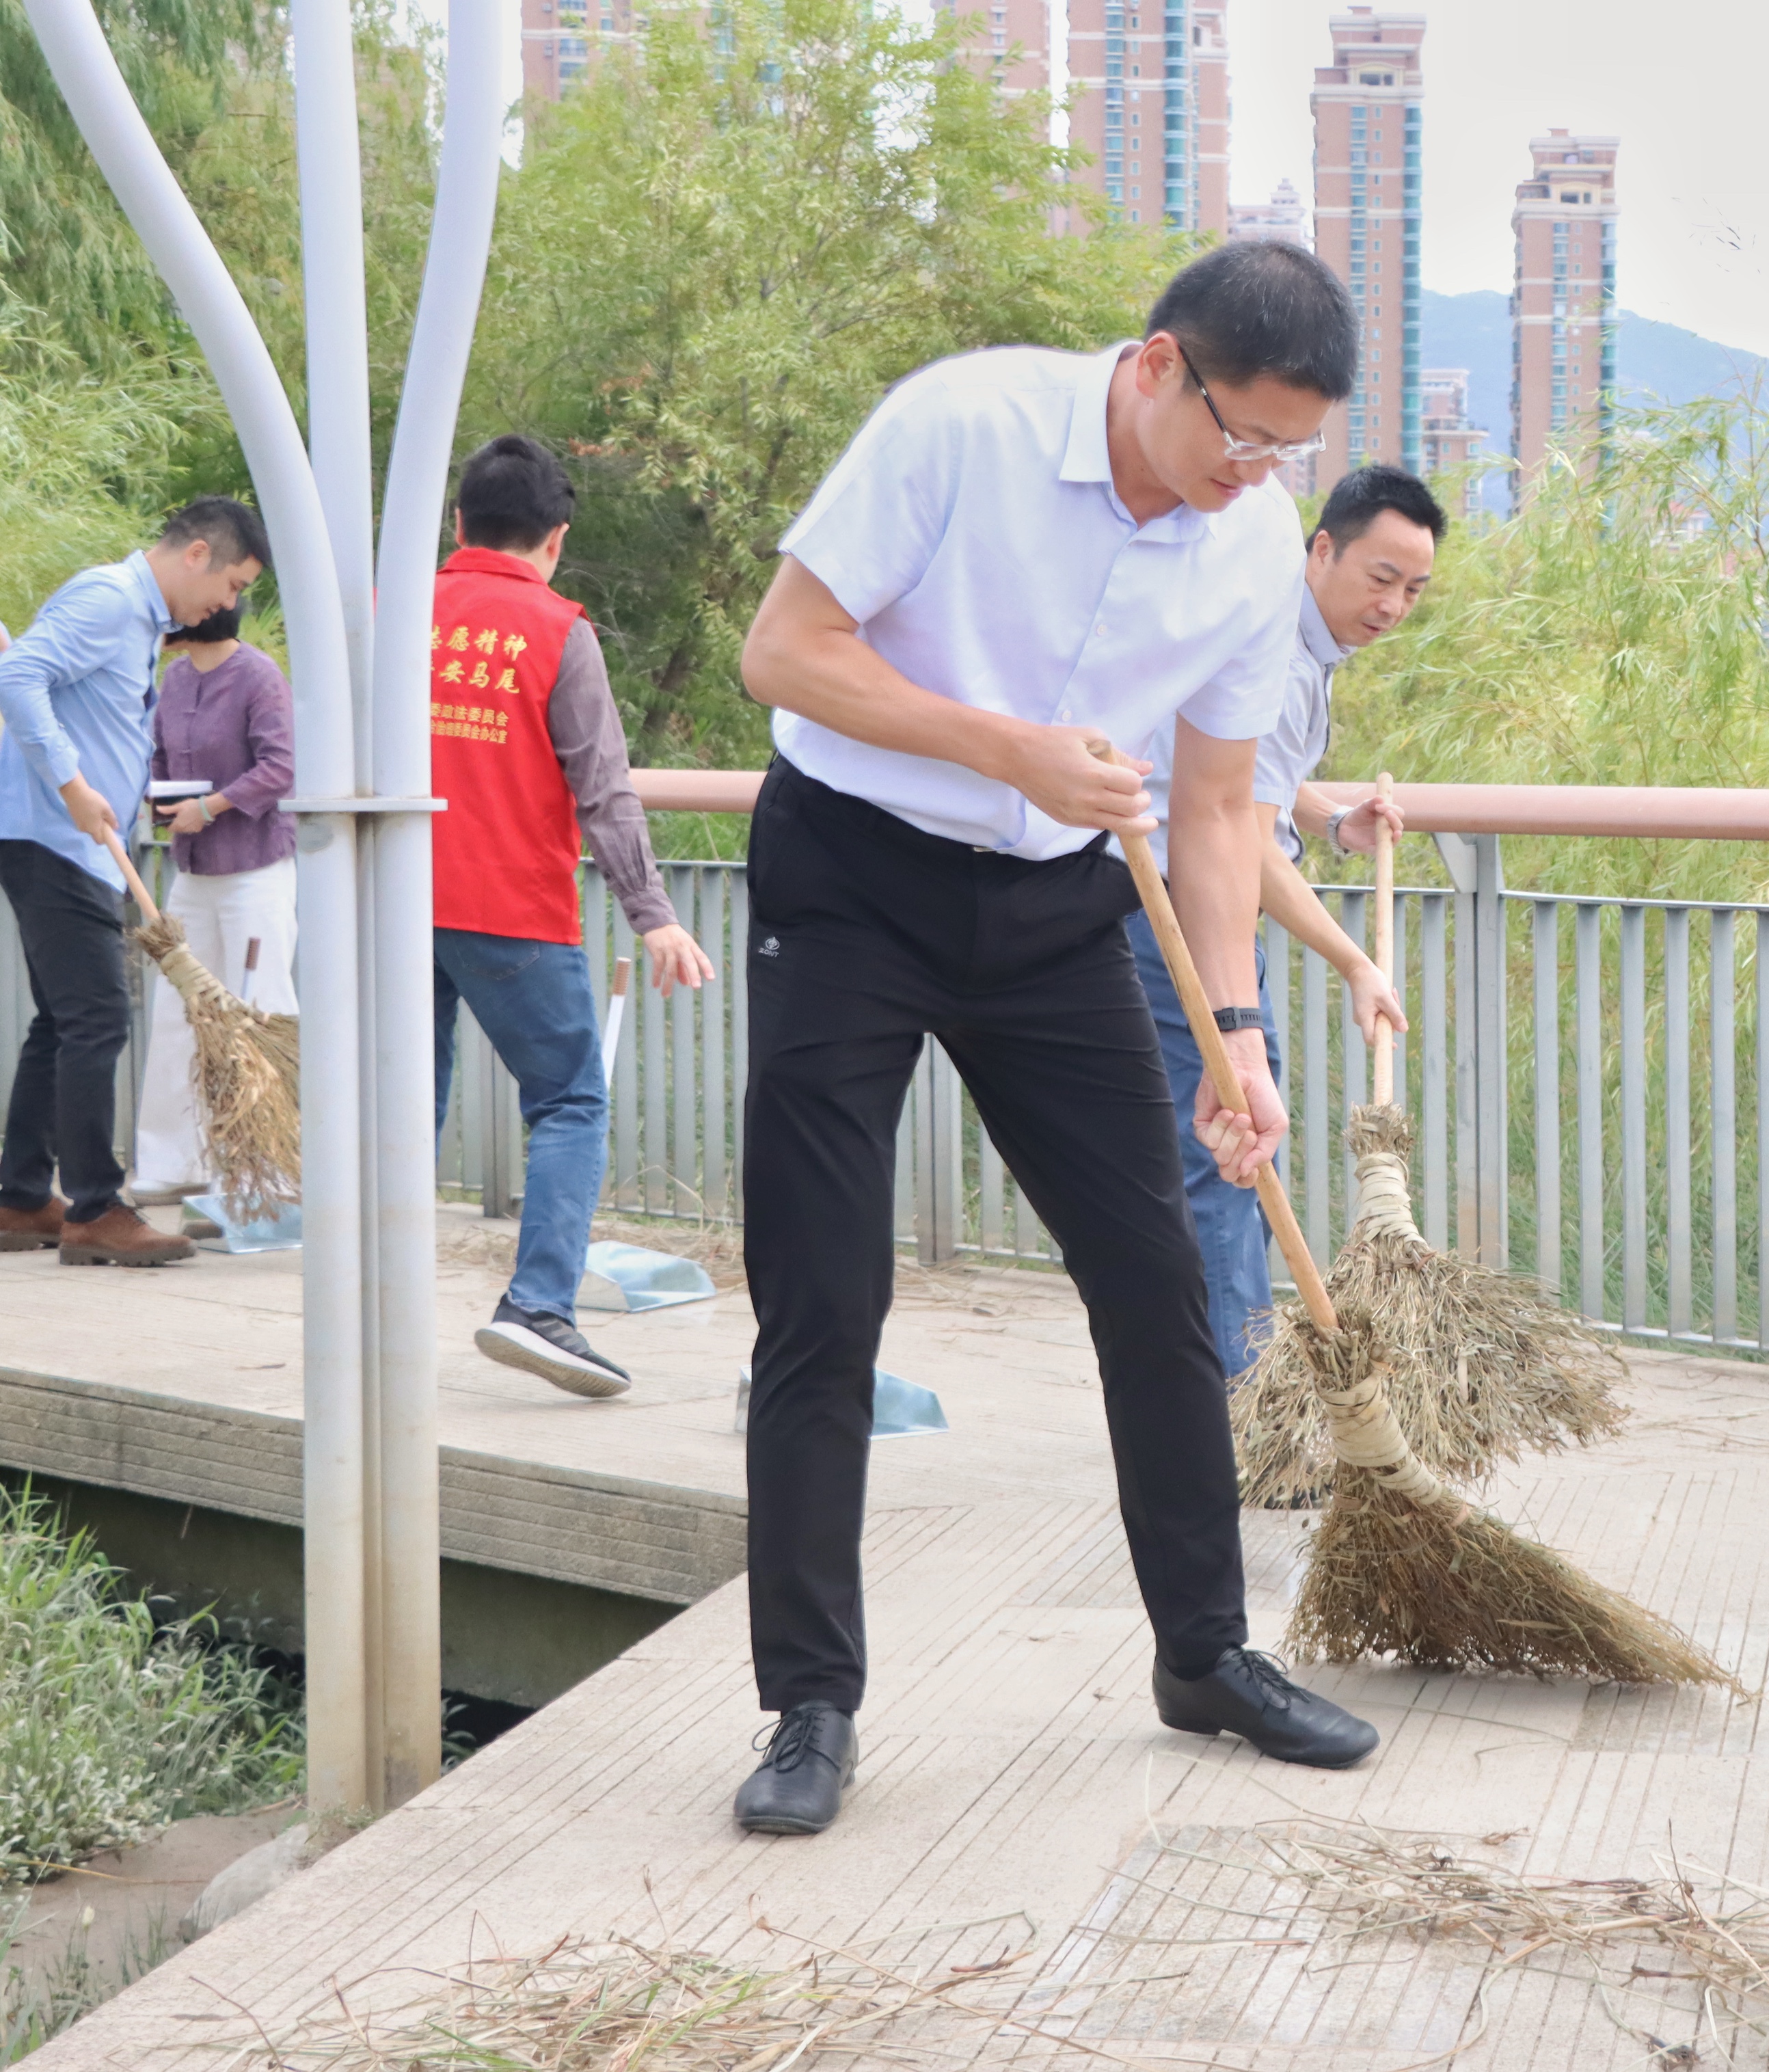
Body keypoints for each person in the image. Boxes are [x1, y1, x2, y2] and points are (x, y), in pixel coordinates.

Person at [730, 240, 1376, 1838]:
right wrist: (1005, 746)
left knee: (1154, 1276)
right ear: (1158, 366)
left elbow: (1217, 810)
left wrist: (1237, 1030)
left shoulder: (1245, 548)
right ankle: (810, 1702)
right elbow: (783, 653)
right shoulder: (961, 427)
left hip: (1057, 914)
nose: (1254, 480)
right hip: (852, 877)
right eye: (1239, 436)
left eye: (1290, 454)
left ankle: (1205, 1654)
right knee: (827, 1294)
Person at [1130, 462, 1444, 1379]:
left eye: (1413, 589)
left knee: (1217, 1152)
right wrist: (1356, 962)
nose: (1393, 606)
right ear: (1320, 551)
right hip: (1171, 915)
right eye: (1379, 578)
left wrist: (1324, 819)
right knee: (1230, 1157)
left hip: (1170, 903)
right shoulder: (1280, 651)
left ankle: (1210, 1389)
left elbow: (1245, 780)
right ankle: (1239, 1409)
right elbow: (1240, 844)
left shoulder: (1294, 643)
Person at [429, 435, 715, 1396]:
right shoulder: (558, 631)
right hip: (506, 904)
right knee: (568, 1099)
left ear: (458, 525)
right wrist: (653, 913)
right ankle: (540, 1305)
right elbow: (605, 790)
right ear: (555, 539)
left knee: (402, 1102)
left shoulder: (391, 616)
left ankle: (366, 1296)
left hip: (390, 906)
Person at [0, 498, 271, 1267]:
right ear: (196, 556)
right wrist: (73, 784)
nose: (229, 604)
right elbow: (17, 673)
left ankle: (21, 1198)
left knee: (61, 1021)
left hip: (77, 844)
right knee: (99, 1019)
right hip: (54, 836)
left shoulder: (141, 620)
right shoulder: (110, 600)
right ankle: (94, 1210)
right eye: (232, 583)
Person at [126, 602, 297, 1203]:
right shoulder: (173, 680)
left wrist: (213, 805)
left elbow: (280, 767)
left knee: (258, 1005)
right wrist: (163, 800)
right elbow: (161, 758)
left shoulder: (259, 676)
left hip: (256, 867)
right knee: (178, 1010)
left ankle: (268, 1166)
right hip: (192, 867)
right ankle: (173, 1162)